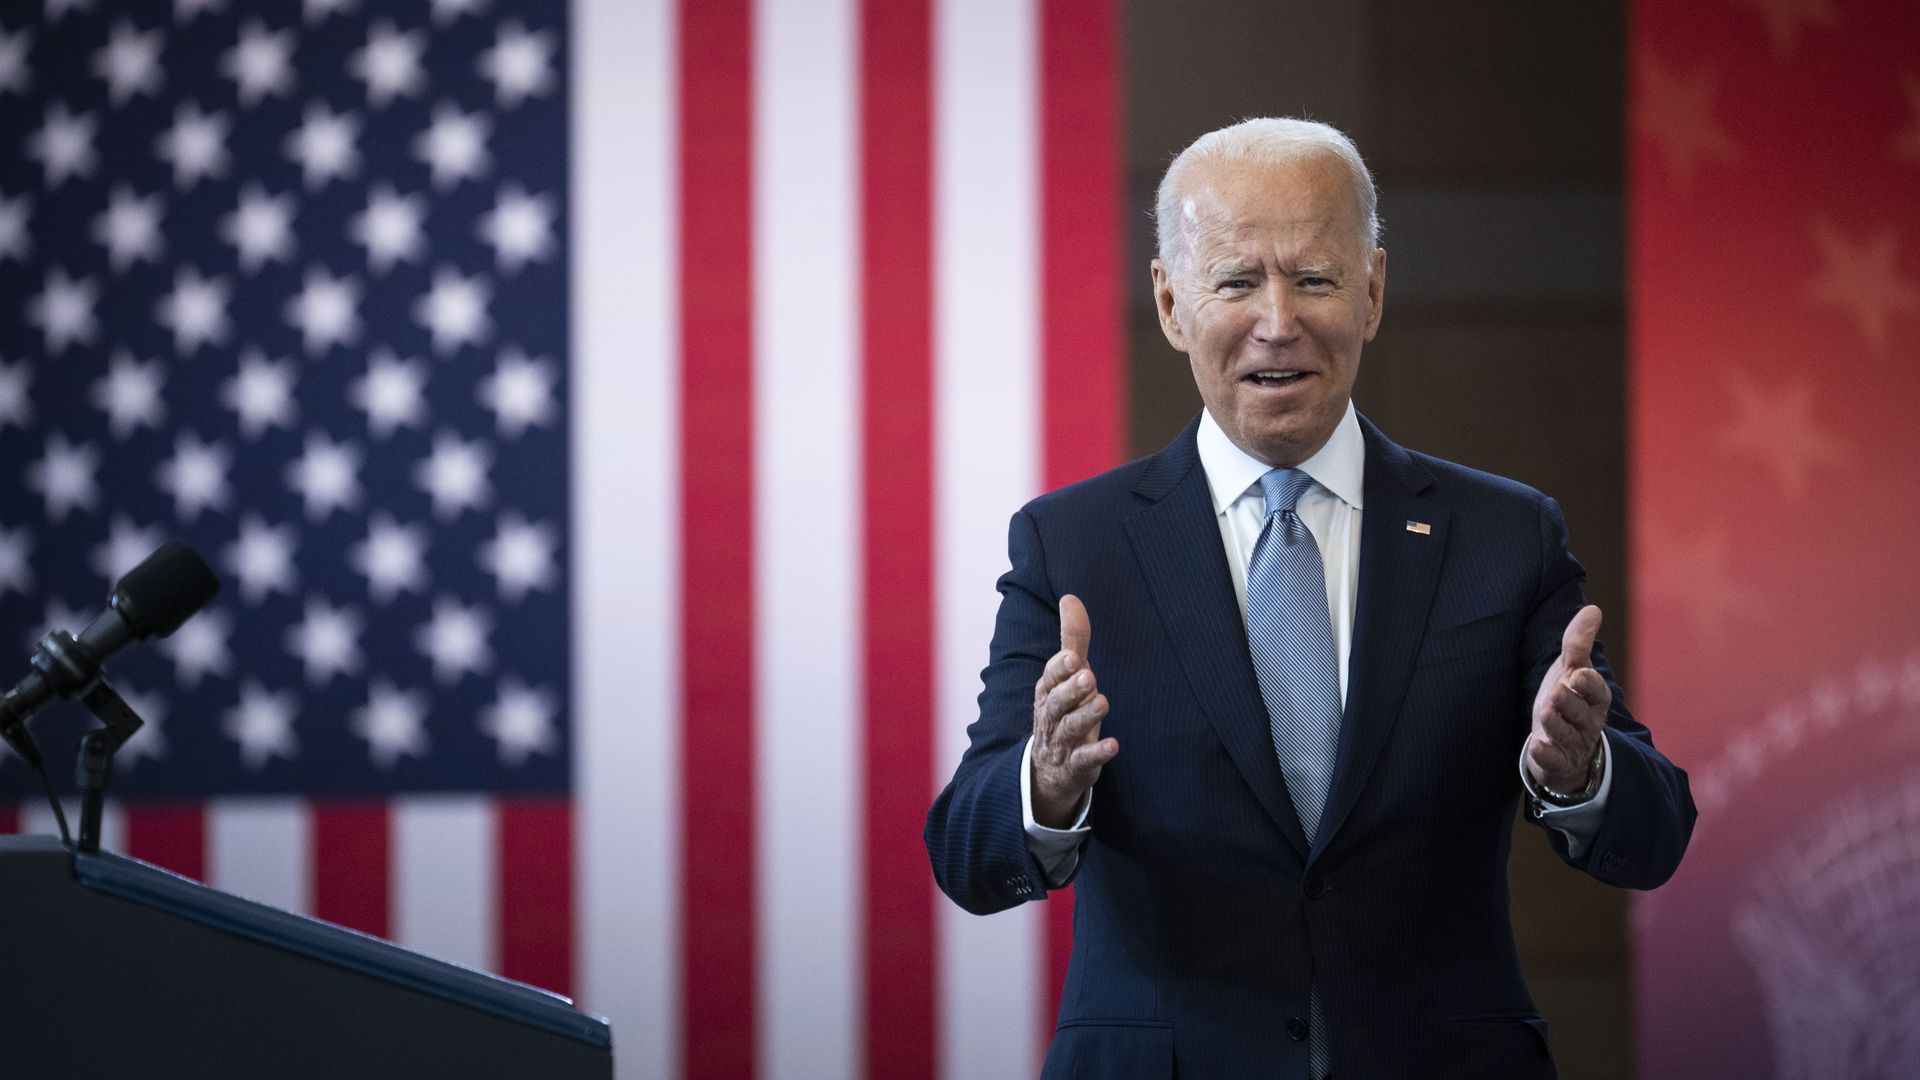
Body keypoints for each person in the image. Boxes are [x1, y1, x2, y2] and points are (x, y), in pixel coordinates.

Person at [924, 117, 1695, 1080]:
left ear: (1372, 292)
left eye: (1316, 279)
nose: (1278, 321)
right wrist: (1045, 784)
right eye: (1237, 281)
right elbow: (964, 850)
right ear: (1171, 303)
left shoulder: (1504, 537)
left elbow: (1655, 833)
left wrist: (1580, 774)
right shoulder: (1073, 544)